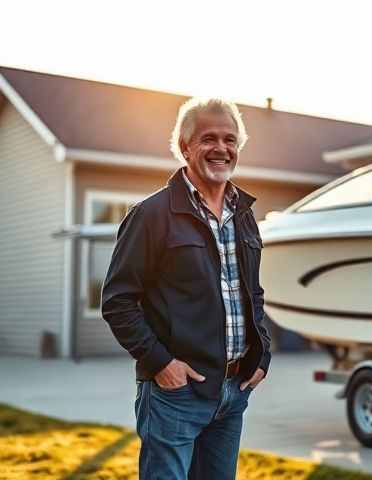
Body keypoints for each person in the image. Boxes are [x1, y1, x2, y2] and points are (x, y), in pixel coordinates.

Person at [101, 97, 271, 479]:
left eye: (230, 140)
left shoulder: (243, 216)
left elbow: (252, 293)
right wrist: (161, 364)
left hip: (232, 391)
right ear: (185, 147)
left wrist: (262, 355)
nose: (221, 149)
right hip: (176, 394)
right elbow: (118, 301)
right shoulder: (151, 215)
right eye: (208, 138)